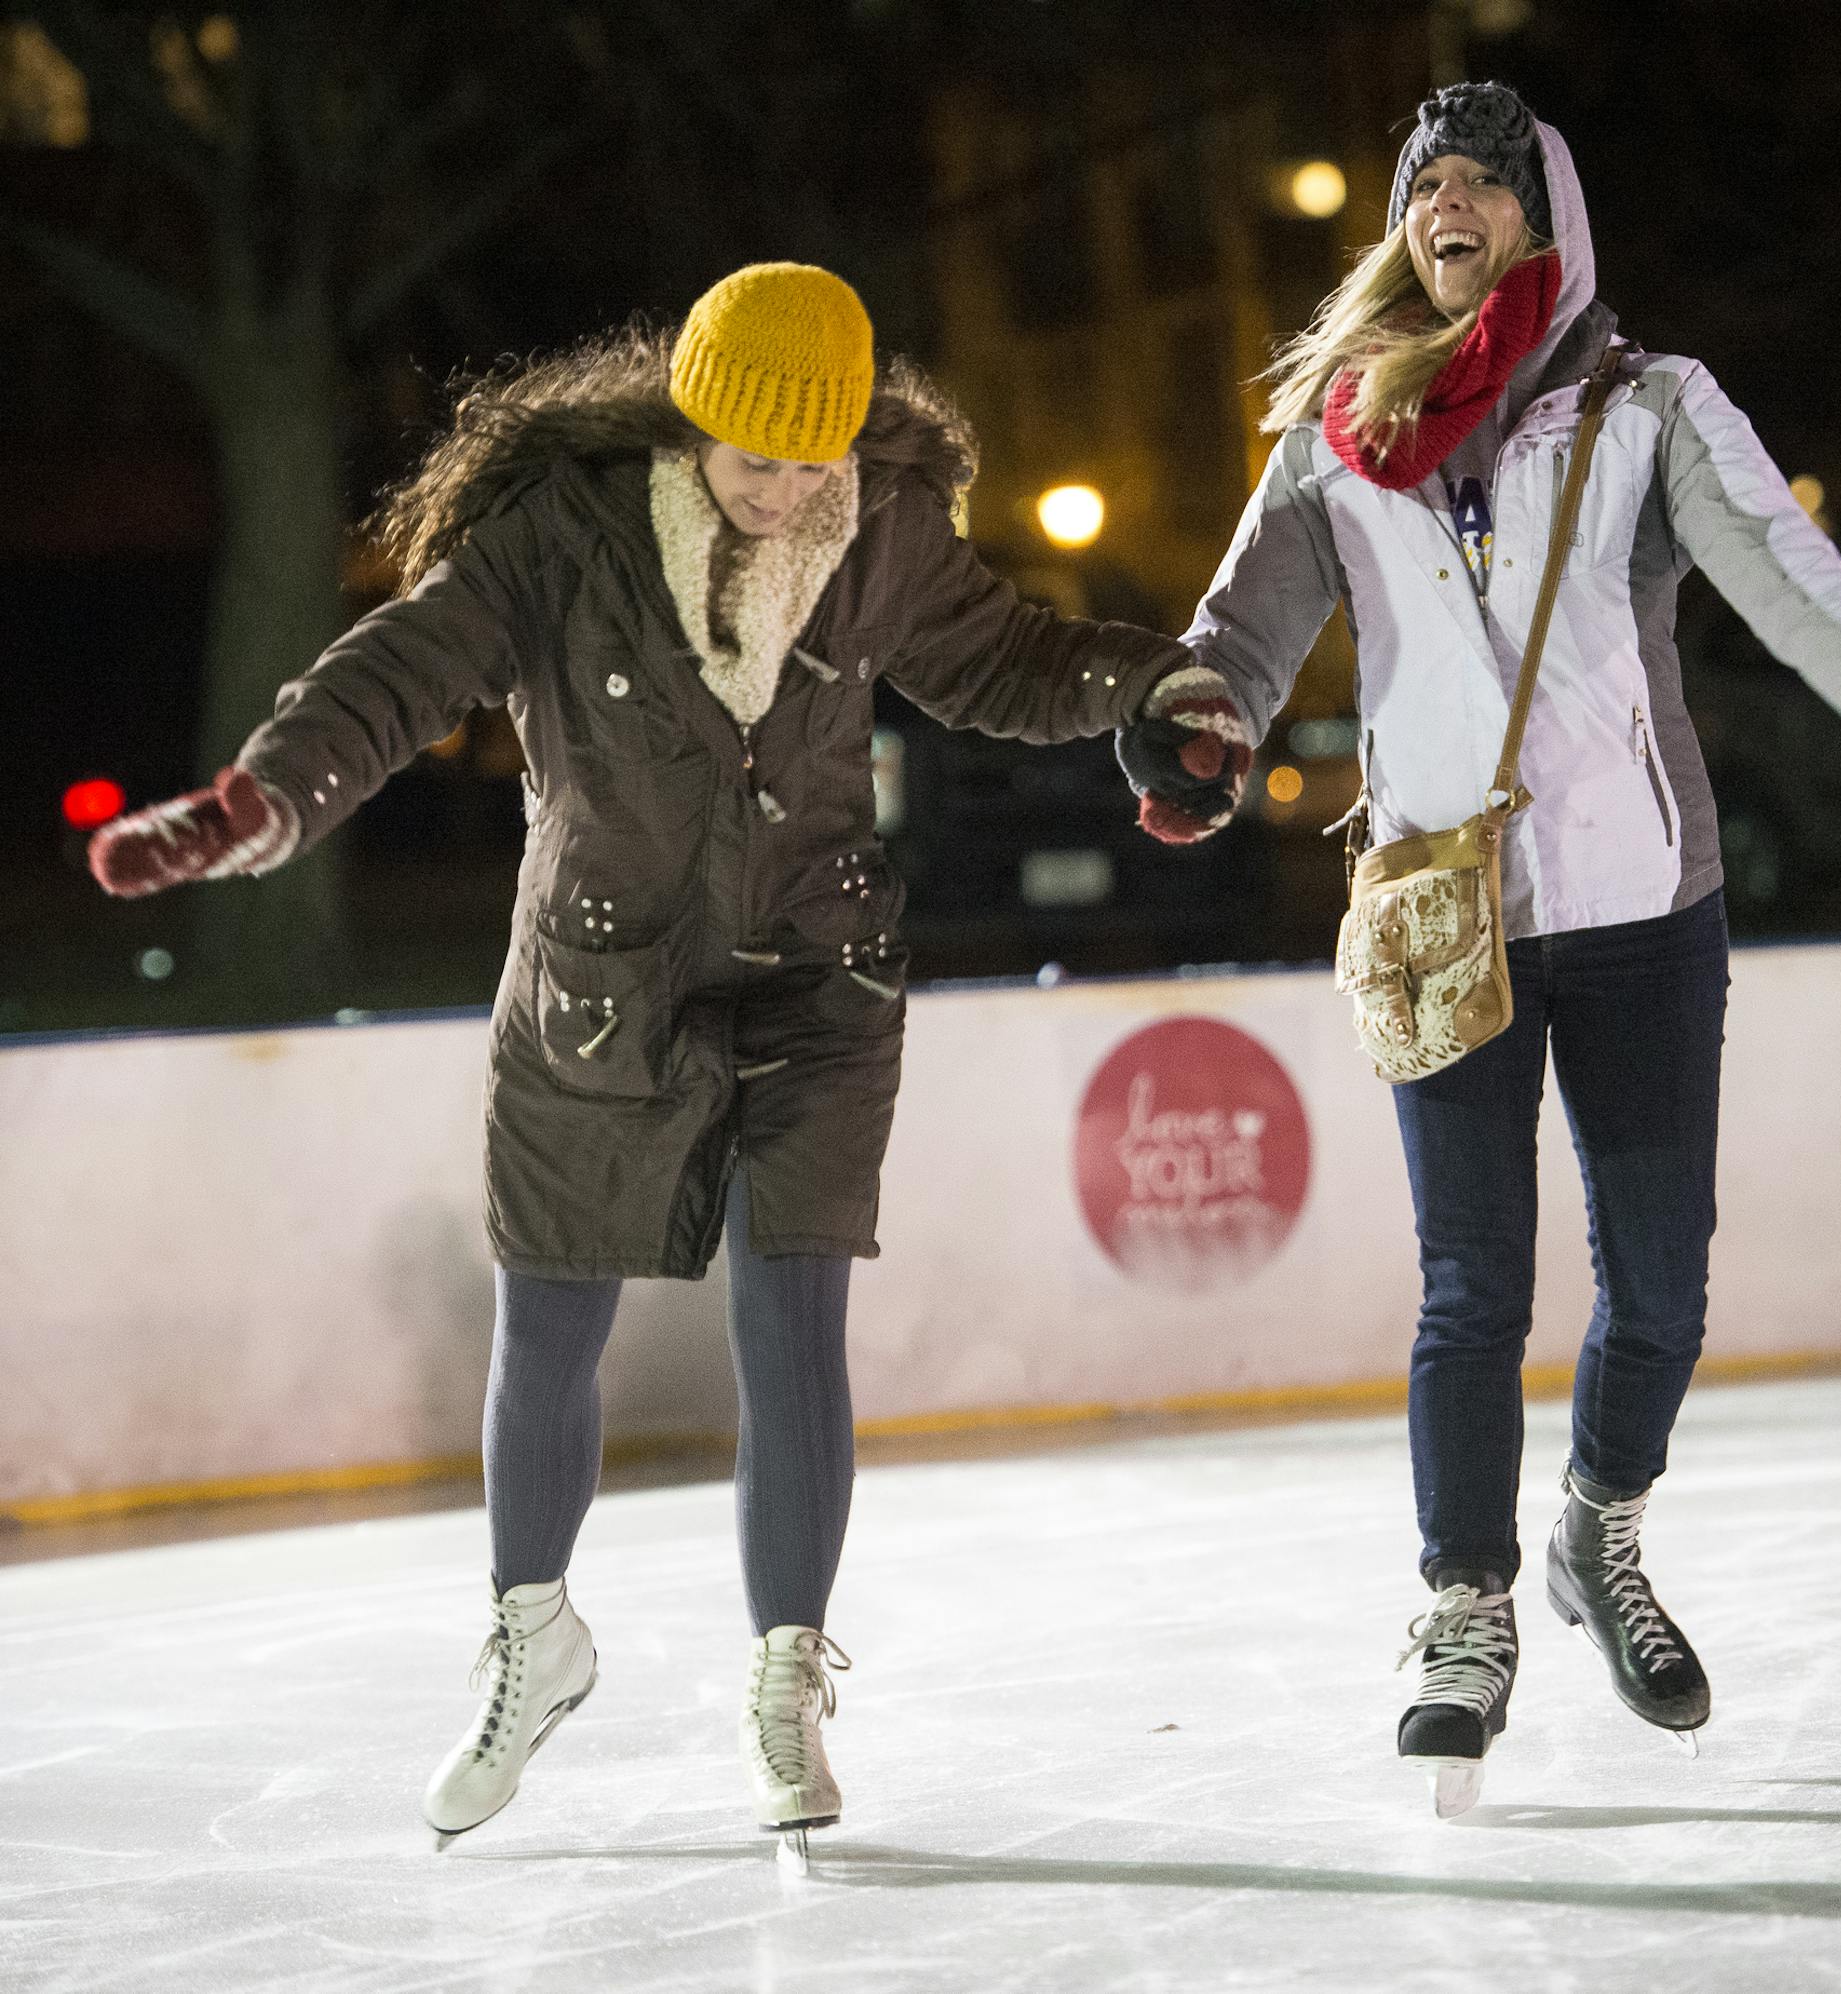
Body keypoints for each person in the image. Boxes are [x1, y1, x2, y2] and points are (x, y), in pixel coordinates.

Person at [89, 262, 1192, 1851]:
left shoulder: (875, 527)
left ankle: (786, 1670)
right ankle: (535, 1635)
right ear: (694, 423)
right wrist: (261, 800)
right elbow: (394, 675)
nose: (790, 493)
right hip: (601, 988)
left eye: (819, 461)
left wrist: (1163, 687)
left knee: (792, 1318)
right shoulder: (565, 542)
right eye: (761, 462)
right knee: (551, 1322)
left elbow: (1010, 659)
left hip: (819, 977)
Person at [1115, 83, 1841, 1817]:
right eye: (1422, 187)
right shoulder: (1334, 440)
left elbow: (1776, 559)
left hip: (1647, 905)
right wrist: (1191, 727)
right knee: (1470, 1286)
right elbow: (1241, 629)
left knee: (1661, 1285)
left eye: (1479, 187)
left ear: (1546, 223)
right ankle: (1465, 1606)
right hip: (1449, 916)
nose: (1443, 207)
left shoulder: (1649, 409)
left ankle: (1598, 1527)